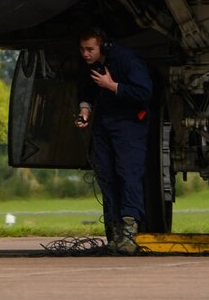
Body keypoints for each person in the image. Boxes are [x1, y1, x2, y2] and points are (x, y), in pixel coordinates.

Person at [76, 27, 154, 254]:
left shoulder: (127, 60)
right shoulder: (90, 65)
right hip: (105, 123)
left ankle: (130, 233)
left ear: (104, 46)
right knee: (106, 175)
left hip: (129, 124)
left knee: (128, 173)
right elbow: (87, 89)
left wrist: (113, 86)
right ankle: (115, 231)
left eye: (90, 49)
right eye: (82, 50)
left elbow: (144, 92)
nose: (85, 54)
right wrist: (84, 109)